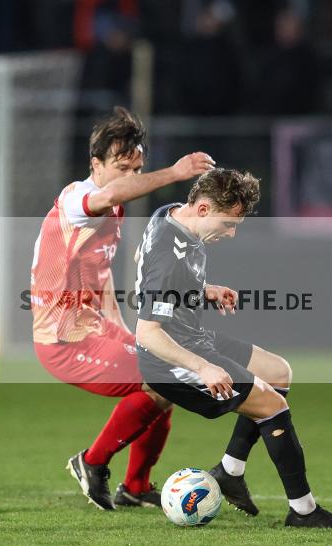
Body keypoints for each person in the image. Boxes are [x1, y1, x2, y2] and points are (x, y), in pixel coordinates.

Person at [134, 168, 332, 528]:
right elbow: (148, 333)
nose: (231, 233)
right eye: (228, 223)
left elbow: (157, 288)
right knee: (272, 405)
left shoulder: (172, 214)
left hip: (193, 336)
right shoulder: (166, 253)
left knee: (278, 372)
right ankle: (304, 511)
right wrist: (203, 367)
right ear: (202, 209)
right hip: (172, 359)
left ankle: (230, 472)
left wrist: (203, 290)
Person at [30, 106, 215, 510]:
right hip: (61, 338)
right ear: (94, 164)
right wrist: (175, 172)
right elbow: (111, 193)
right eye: (121, 166)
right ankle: (92, 463)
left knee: (169, 376)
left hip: (93, 326)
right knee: (163, 378)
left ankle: (135, 486)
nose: (130, 177)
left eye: (137, 168)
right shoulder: (77, 198)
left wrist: (120, 326)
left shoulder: (111, 209)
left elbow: (101, 271)